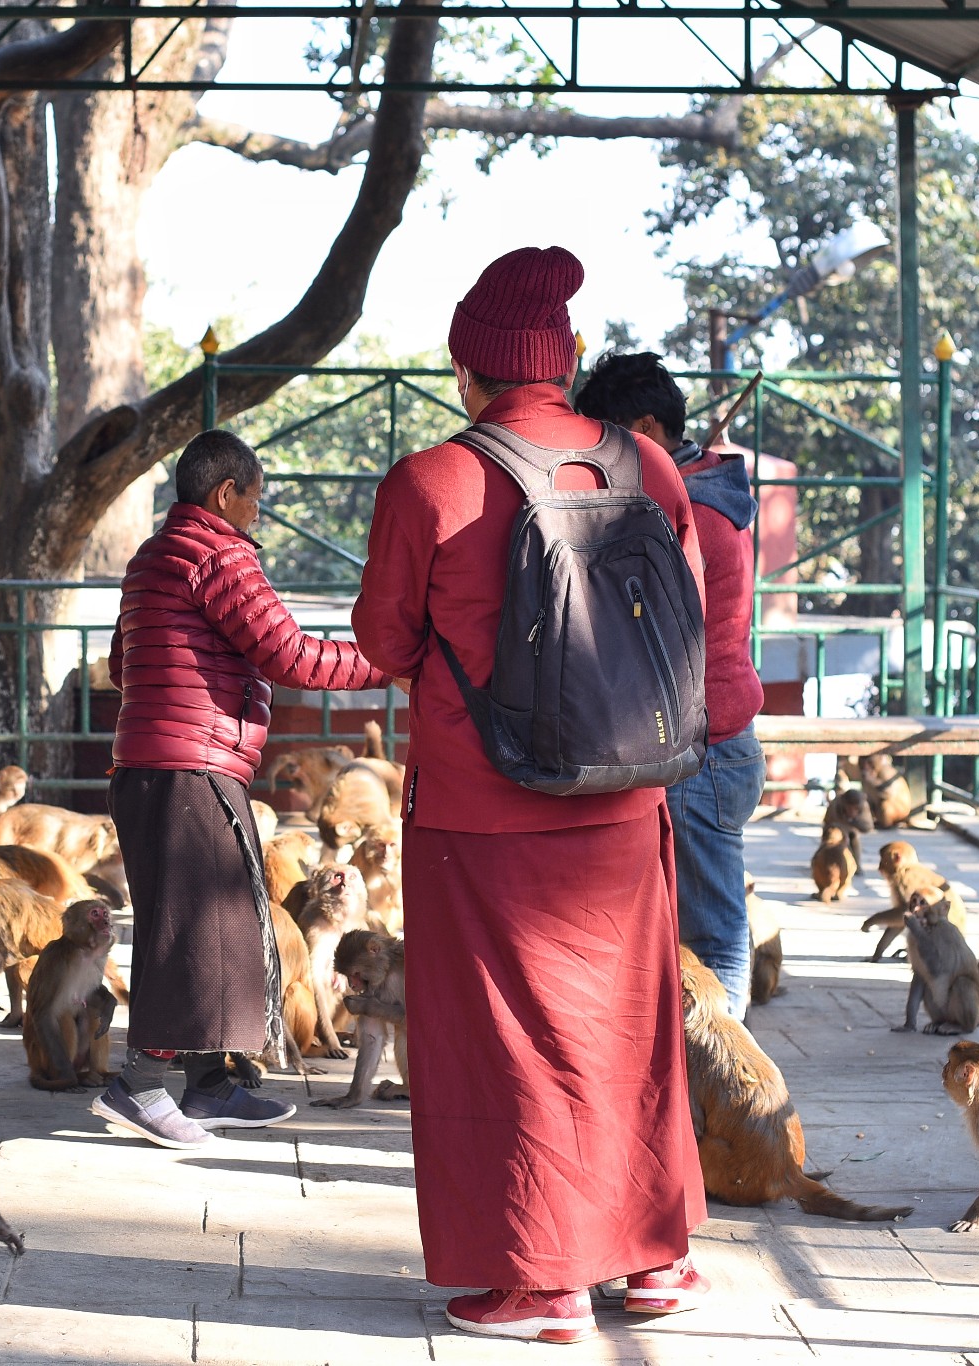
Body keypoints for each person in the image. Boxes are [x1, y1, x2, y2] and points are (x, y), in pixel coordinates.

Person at [353, 246, 710, 1344]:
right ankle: (653, 1256)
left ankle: (539, 1278)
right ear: (562, 363)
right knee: (628, 1026)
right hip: (623, 802)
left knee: (508, 1043)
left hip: (482, 810)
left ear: (471, 367)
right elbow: (688, 610)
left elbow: (380, 639)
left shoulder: (430, 480)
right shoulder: (646, 466)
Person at [93, 429, 390, 1150]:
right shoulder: (219, 554)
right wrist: (387, 662)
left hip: (155, 763)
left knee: (224, 929)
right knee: (191, 930)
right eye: (256, 498)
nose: (259, 512)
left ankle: (210, 1084)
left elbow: (120, 663)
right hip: (188, 765)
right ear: (227, 493)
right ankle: (138, 1085)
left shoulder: (153, 557)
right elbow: (287, 652)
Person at [575, 351, 766, 1016]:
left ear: (649, 429)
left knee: (714, 940)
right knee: (701, 924)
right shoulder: (702, 493)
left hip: (702, 743)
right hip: (717, 733)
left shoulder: (694, 512)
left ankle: (730, 1089)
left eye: (607, 437)